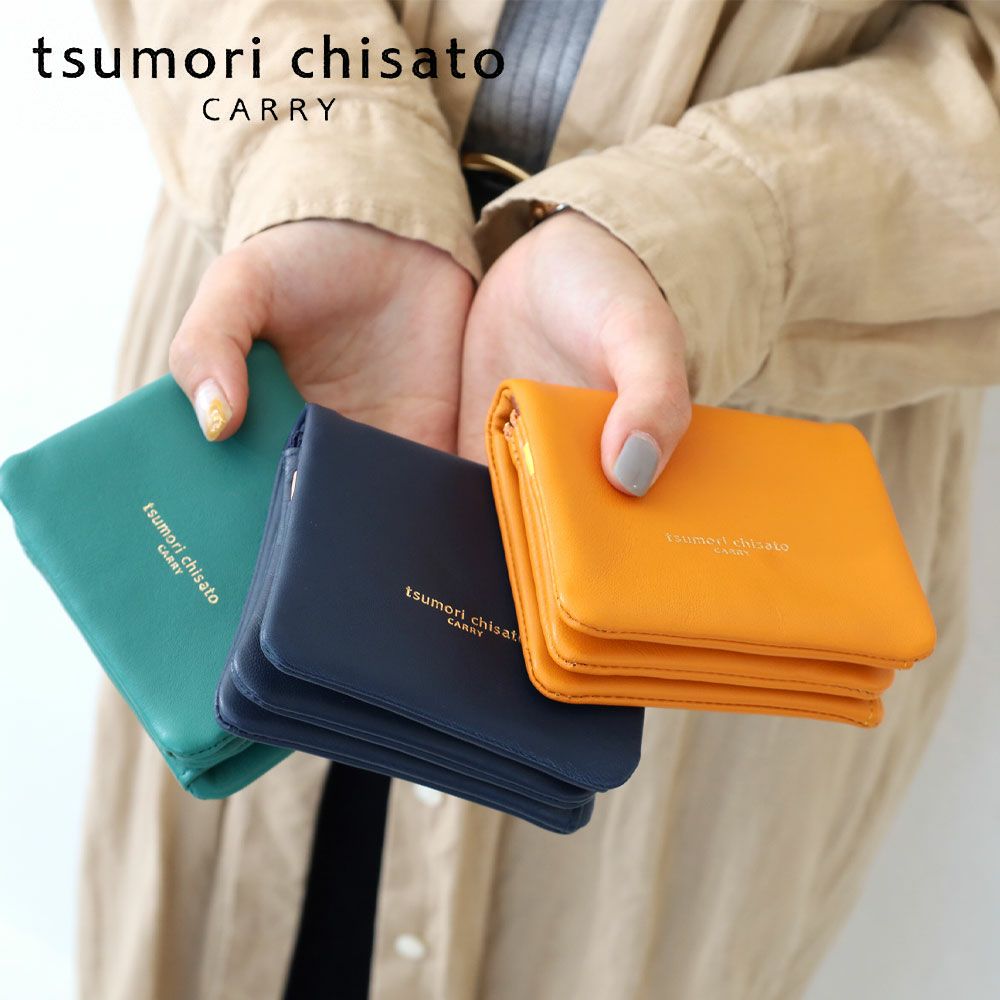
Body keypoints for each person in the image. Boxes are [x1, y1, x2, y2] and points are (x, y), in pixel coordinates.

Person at [82, 1, 1000, 998]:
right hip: (304, 329)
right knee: (214, 912)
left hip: (700, 429)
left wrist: (696, 232)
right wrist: (323, 166)